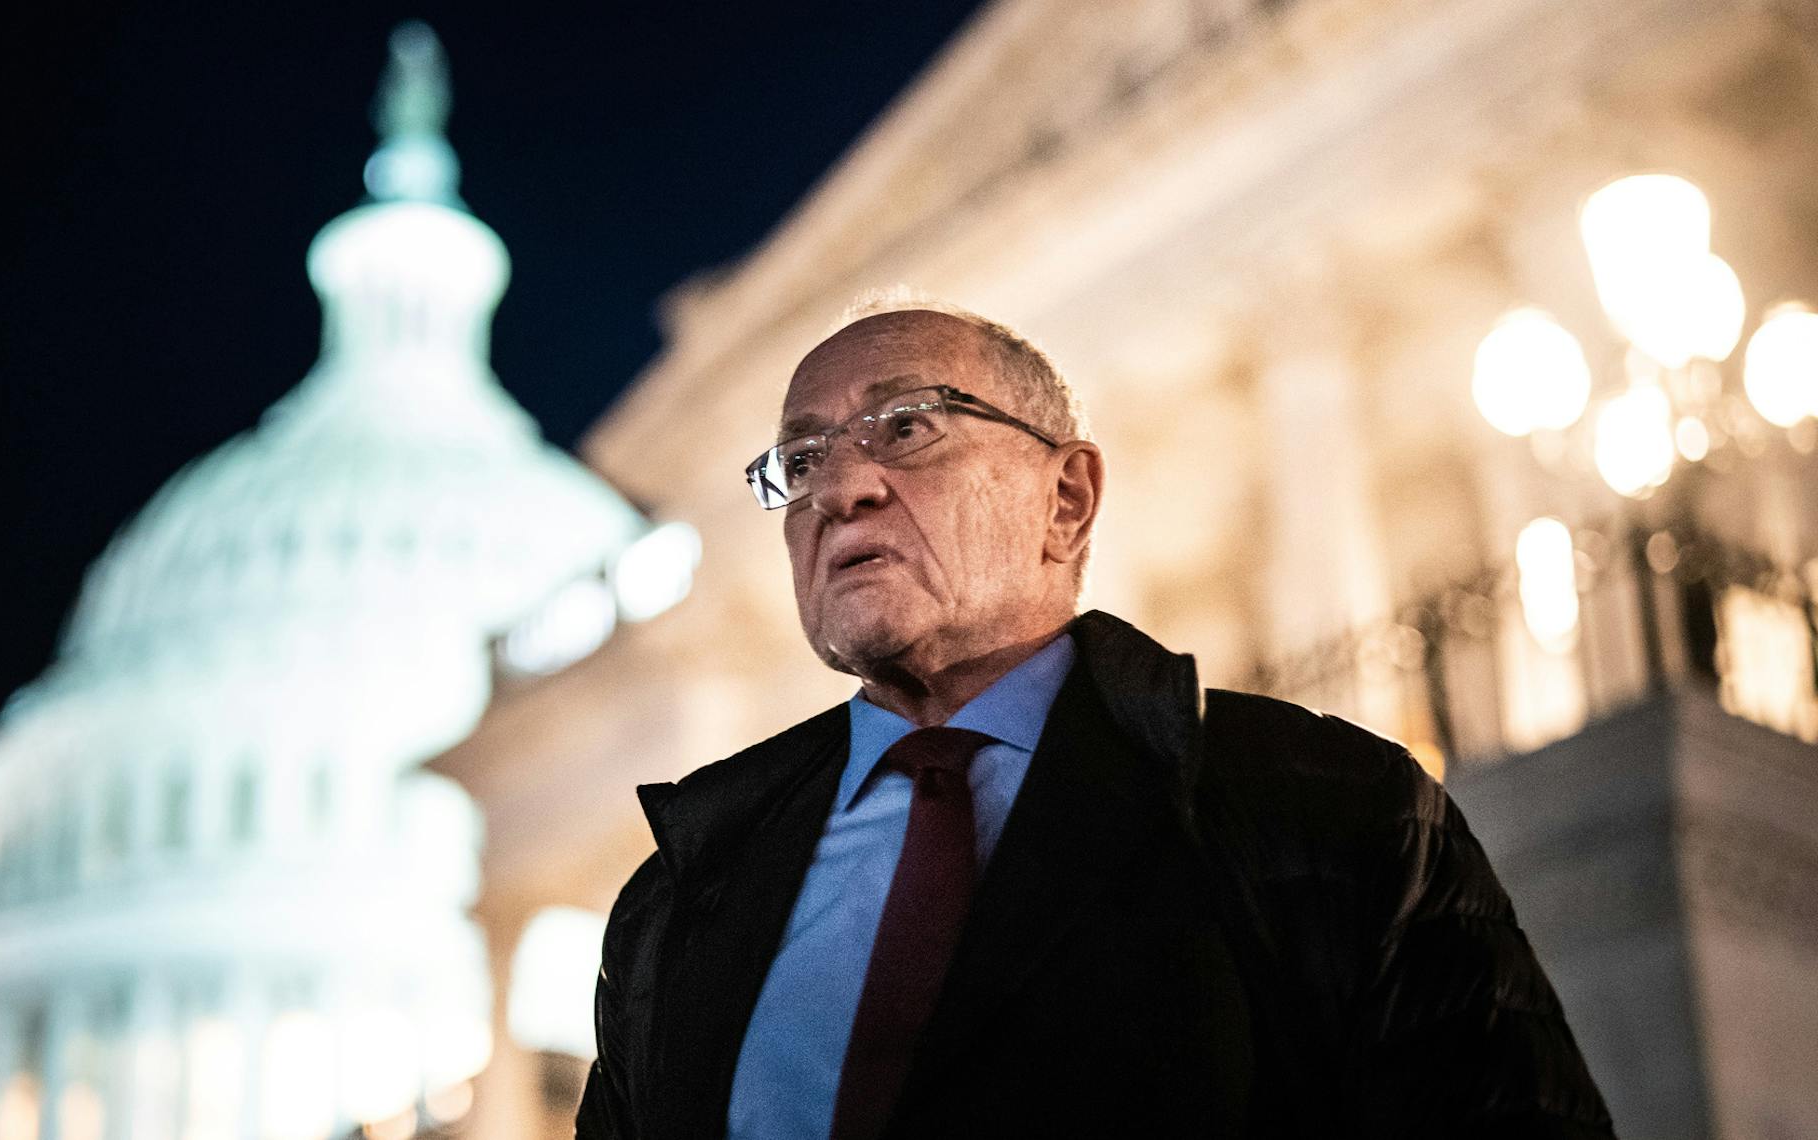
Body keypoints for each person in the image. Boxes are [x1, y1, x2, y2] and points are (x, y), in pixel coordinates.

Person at [575, 301, 1614, 1139]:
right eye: (800, 462)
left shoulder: (1331, 807)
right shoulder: (677, 901)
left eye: (908, 428)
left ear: (1066, 499)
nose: (840, 487)